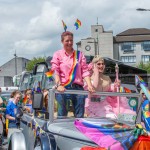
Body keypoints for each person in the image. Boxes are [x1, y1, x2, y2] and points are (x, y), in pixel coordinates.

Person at [51, 31, 94, 118]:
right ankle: (61, 128)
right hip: (63, 87)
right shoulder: (57, 54)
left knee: (79, 114)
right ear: (62, 41)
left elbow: (85, 71)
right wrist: (58, 85)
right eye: (67, 41)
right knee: (62, 112)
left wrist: (89, 85)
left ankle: (78, 129)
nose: (69, 43)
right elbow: (55, 71)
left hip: (78, 87)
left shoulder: (79, 54)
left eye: (71, 40)